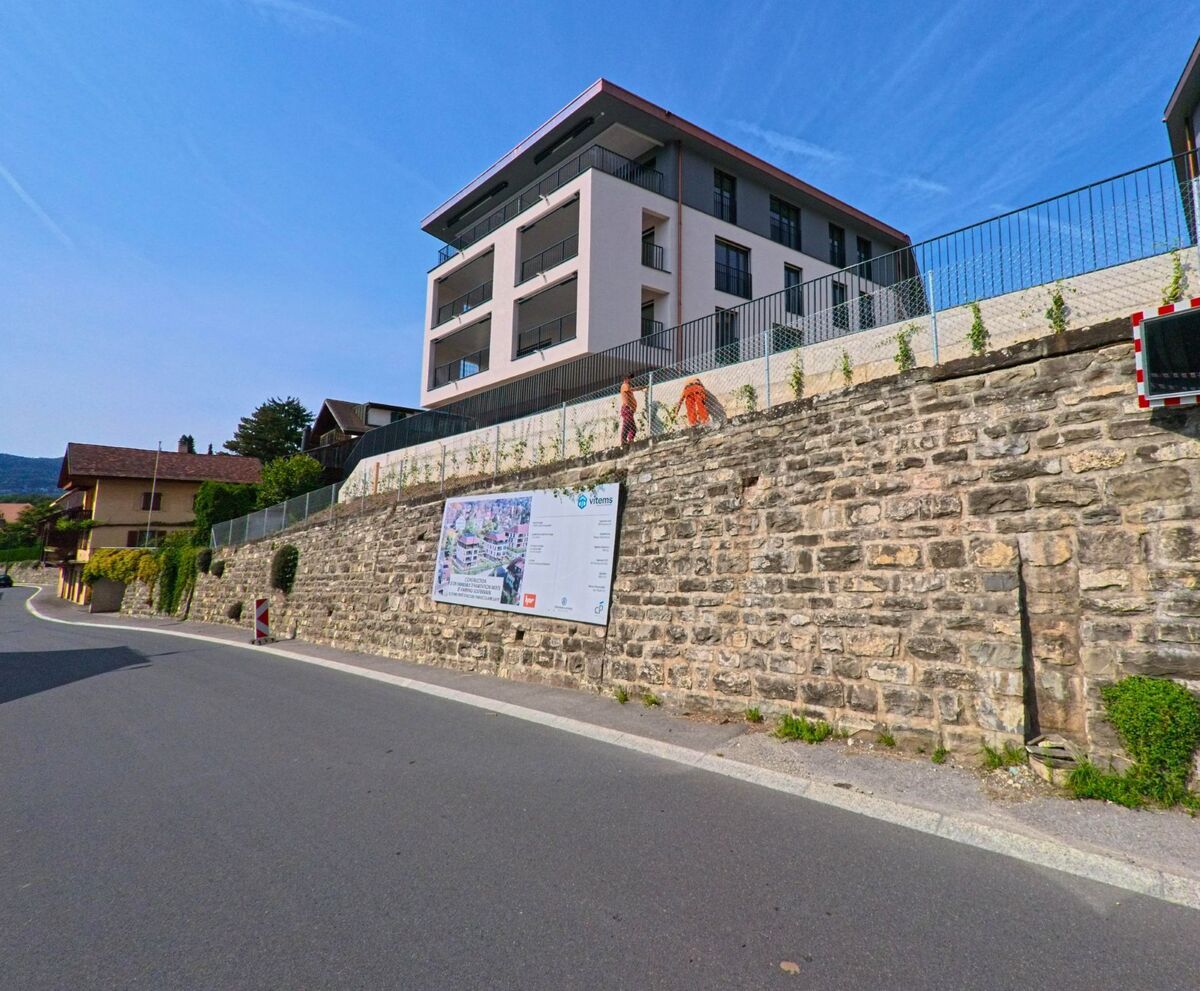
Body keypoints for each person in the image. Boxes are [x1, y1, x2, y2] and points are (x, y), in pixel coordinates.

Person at [619, 377, 638, 444]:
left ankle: (630, 440)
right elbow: (630, 389)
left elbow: (631, 390)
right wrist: (629, 406)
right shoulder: (625, 385)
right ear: (625, 379)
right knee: (627, 424)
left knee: (632, 428)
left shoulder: (627, 387)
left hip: (629, 410)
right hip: (627, 408)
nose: (631, 380)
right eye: (629, 378)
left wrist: (641, 388)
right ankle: (623, 440)